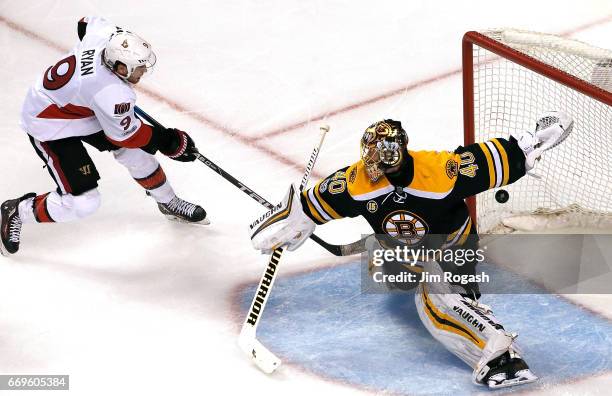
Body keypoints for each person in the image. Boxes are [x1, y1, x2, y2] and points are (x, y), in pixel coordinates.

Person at [248, 112, 574, 388]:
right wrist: (293, 220)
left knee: (435, 302)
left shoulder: (440, 171)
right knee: (387, 272)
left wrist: (530, 142)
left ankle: (501, 356)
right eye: (370, 158)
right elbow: (309, 205)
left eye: (381, 159)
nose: (373, 168)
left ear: (397, 154)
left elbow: (497, 157)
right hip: (403, 254)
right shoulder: (357, 181)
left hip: (451, 248)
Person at [0, 16, 207, 257]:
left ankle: (168, 201)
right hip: (49, 123)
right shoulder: (111, 94)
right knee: (84, 203)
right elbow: (128, 136)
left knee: (135, 154)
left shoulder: (106, 39)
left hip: (78, 107)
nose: (143, 70)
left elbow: (83, 23)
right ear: (120, 68)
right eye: (138, 67)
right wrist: (168, 142)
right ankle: (17, 210)